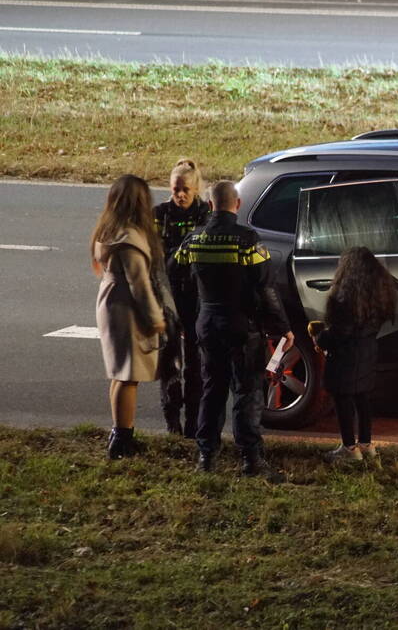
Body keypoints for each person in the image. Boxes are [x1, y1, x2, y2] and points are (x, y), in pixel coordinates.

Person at [169, 180, 294, 476]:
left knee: (212, 389)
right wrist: (283, 328)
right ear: (236, 205)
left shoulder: (194, 240)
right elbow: (266, 288)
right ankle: (251, 459)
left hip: (207, 325)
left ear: (211, 205)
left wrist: (188, 318)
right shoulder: (247, 240)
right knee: (246, 391)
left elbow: (174, 274)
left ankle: (206, 457)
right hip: (242, 326)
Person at [91, 175, 168, 459]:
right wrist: (155, 318)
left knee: (120, 375)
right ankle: (122, 440)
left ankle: (119, 433)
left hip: (112, 303)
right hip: (126, 309)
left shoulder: (109, 231)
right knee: (128, 377)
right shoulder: (130, 238)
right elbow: (140, 284)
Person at [307, 247, 398, 465]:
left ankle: (349, 448)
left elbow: (340, 333)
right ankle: (366, 445)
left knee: (343, 401)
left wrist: (319, 337)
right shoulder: (381, 294)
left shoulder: (343, 298)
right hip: (367, 355)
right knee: (363, 399)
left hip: (345, 360)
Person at [153, 158, 209, 437]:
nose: (180, 195)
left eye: (185, 189)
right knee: (170, 362)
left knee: (196, 365)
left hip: (197, 297)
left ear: (196, 188)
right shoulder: (160, 214)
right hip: (168, 297)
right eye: (176, 189)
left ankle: (193, 424)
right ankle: (172, 422)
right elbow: (155, 258)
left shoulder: (205, 214)